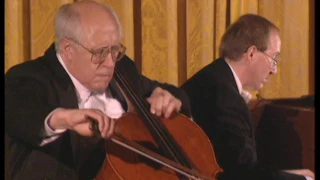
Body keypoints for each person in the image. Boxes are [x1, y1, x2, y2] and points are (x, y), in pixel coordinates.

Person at [5, 1, 191, 179]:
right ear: (68, 49)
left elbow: (167, 92)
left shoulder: (122, 68)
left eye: (115, 50)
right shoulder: (30, 77)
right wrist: (66, 118)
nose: (110, 63)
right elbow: (21, 114)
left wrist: (166, 97)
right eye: (99, 53)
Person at [181, 14, 314, 180]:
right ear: (252, 53)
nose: (274, 70)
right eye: (274, 59)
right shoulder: (225, 98)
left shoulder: (213, 78)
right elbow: (245, 174)